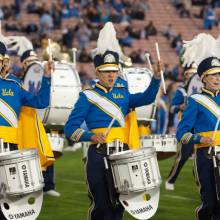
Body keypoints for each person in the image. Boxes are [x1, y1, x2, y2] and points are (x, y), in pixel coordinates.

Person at [64, 22, 162, 219]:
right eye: (106, 71)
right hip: (99, 156)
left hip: (122, 155)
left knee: (119, 206)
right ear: (97, 72)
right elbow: (70, 129)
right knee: (101, 206)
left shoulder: (123, 92)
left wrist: (156, 79)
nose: (111, 74)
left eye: (114, 70)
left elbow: (146, 98)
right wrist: (91, 135)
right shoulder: (87, 96)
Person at [0, 41, 53, 219]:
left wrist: (46, 77)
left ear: (3, 63)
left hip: (10, 151)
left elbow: (40, 102)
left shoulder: (14, 85)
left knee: (9, 203)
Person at [176, 56, 220, 219]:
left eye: (219, 74)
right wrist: (199, 139)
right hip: (205, 156)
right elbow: (181, 133)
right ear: (204, 78)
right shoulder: (195, 100)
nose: (218, 78)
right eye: (213, 75)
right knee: (209, 203)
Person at [20, 49, 60, 197]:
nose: (32, 65)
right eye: (29, 62)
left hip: (32, 119)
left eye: (34, 61)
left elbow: (40, 100)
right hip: (18, 122)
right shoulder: (16, 80)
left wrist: (46, 75)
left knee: (44, 150)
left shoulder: (37, 78)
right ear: (23, 64)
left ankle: (48, 185)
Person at [165, 64, 197, 190]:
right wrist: (180, 107)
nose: (193, 76)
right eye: (190, 73)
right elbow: (172, 108)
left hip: (202, 127)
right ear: (186, 75)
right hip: (188, 126)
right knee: (184, 156)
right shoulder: (181, 90)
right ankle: (170, 180)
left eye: (195, 73)